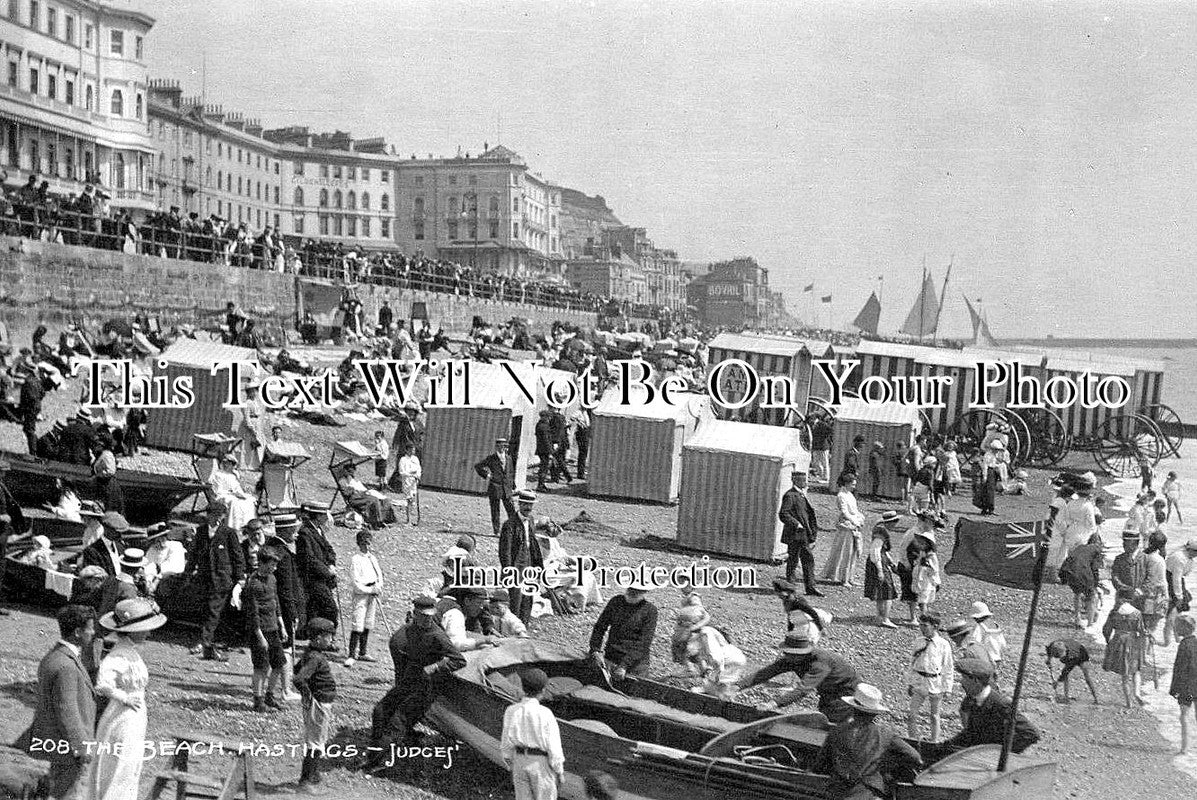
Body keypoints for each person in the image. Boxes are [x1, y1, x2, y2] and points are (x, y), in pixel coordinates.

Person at [84, 597, 167, 800]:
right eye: (145, 629)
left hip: (135, 716)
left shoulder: (130, 652)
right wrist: (124, 697)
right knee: (120, 762)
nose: (149, 632)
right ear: (133, 630)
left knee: (130, 763)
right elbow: (103, 684)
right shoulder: (119, 654)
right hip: (122, 716)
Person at [24, 604, 97, 800]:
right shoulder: (67, 665)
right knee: (68, 794)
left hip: (57, 744)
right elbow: (68, 711)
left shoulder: (54, 656)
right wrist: (81, 747)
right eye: (90, 628)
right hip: (68, 748)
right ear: (77, 632)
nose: (93, 632)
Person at [815, 683, 923, 800]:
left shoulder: (836, 731)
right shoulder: (885, 734)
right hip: (869, 791)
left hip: (839, 792)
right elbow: (916, 758)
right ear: (874, 714)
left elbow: (820, 765)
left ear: (853, 708)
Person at [738, 633, 861, 723]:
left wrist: (773, 704)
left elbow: (803, 690)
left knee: (831, 723)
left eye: (790, 654)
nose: (787, 657)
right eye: (786, 653)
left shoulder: (820, 663)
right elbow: (766, 673)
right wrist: (737, 686)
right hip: (827, 692)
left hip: (846, 694)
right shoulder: (791, 659)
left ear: (802, 653)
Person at [937, 658, 1040, 755]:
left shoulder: (1001, 704)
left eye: (964, 678)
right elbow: (970, 733)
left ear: (976, 681)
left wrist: (1001, 753)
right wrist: (947, 746)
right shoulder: (972, 700)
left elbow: (1031, 734)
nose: (961, 682)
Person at [501, 668, 566, 800]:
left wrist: (510, 763)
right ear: (542, 690)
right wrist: (559, 771)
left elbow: (506, 743)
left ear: (523, 687)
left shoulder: (511, 710)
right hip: (540, 763)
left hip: (519, 760)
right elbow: (554, 747)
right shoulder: (546, 713)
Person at [196, 499, 245, 662]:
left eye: (220, 516)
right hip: (205, 577)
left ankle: (206, 642)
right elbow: (195, 554)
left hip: (222, 579)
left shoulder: (228, 533)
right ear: (208, 516)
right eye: (214, 516)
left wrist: (239, 578)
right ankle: (209, 639)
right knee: (206, 609)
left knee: (213, 610)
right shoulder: (201, 531)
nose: (217, 519)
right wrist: (188, 573)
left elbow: (237, 556)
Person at [264, 513, 305, 702]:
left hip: (274, 607)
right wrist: (293, 613)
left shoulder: (272, 546)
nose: (296, 534)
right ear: (287, 530)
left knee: (282, 648)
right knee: (286, 648)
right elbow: (287, 589)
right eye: (295, 530)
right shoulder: (284, 554)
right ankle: (286, 689)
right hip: (284, 608)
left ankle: (282, 688)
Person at [294, 617, 337, 791]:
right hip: (319, 703)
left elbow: (297, 669)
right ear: (318, 638)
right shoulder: (315, 658)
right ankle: (306, 780)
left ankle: (314, 773)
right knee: (316, 743)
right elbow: (299, 678)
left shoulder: (311, 654)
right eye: (329, 636)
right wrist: (308, 696)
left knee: (318, 739)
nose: (331, 640)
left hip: (319, 702)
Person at [671, 605, 746, 699]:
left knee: (720, 690)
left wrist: (712, 669)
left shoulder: (705, 633)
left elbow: (714, 654)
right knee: (716, 686)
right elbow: (700, 656)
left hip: (728, 660)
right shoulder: (701, 634)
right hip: (730, 659)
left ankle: (720, 700)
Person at [589, 581, 659, 679]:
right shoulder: (616, 602)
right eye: (631, 589)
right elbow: (600, 627)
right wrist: (595, 650)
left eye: (638, 590)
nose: (633, 592)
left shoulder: (650, 611)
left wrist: (624, 665)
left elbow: (644, 643)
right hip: (611, 656)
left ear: (645, 591)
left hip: (635, 664)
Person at [244, 549, 286, 712]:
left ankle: (269, 695)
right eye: (271, 564)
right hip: (260, 630)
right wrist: (259, 635)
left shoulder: (272, 579)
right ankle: (258, 701)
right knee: (261, 666)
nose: (274, 568)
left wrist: (281, 623)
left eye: (275, 564)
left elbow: (276, 601)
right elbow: (252, 613)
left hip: (273, 627)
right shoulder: (253, 584)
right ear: (262, 563)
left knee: (279, 663)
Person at [500, 490, 546, 625]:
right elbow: (505, 551)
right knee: (516, 598)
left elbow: (532, 543)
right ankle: (513, 627)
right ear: (519, 504)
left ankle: (524, 626)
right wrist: (508, 571)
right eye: (525, 505)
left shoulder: (530, 520)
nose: (528, 508)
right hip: (516, 564)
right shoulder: (509, 525)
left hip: (529, 562)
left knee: (528, 596)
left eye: (531, 505)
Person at [907, 613, 954, 742]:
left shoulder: (943, 644)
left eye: (925, 625)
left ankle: (934, 740)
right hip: (919, 681)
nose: (922, 628)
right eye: (921, 625)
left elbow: (948, 667)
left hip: (935, 682)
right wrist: (910, 682)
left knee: (934, 716)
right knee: (912, 714)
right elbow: (912, 662)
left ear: (935, 626)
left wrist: (948, 688)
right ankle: (913, 739)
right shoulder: (918, 642)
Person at [779, 471, 823, 597]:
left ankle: (810, 587)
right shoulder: (790, 495)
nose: (806, 482)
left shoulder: (801, 495)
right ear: (796, 481)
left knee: (808, 560)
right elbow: (783, 514)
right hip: (794, 535)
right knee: (793, 561)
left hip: (803, 535)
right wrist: (796, 524)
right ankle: (791, 588)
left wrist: (811, 534)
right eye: (803, 480)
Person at [297, 502, 339, 634]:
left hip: (323, 577)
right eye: (324, 514)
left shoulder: (318, 530)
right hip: (313, 578)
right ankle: (327, 635)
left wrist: (331, 563)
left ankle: (320, 636)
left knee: (316, 608)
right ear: (318, 516)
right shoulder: (305, 533)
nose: (327, 517)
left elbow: (329, 550)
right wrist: (327, 572)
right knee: (330, 608)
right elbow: (309, 559)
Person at [346, 529, 384, 667]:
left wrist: (377, 587)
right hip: (361, 594)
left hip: (373, 594)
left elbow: (379, 575)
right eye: (364, 543)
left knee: (368, 622)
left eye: (368, 543)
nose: (366, 546)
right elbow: (355, 582)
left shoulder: (372, 558)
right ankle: (351, 654)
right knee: (358, 622)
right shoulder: (355, 559)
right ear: (358, 543)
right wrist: (368, 589)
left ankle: (363, 651)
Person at [821, 474, 865, 587]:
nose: (854, 486)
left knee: (854, 552)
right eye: (853, 484)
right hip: (846, 526)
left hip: (854, 524)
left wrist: (860, 517)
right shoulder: (841, 495)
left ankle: (851, 577)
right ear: (847, 483)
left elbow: (854, 510)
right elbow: (844, 512)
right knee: (846, 552)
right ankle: (843, 578)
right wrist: (854, 521)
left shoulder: (850, 494)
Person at [1103, 601, 1148, 708]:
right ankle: (1137, 693)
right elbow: (1141, 631)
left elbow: (1106, 630)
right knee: (1136, 670)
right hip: (1132, 642)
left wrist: (1108, 642)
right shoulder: (1137, 613)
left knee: (1125, 675)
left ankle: (1129, 702)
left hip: (1118, 641)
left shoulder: (1114, 613)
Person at [1058, 531, 1106, 628]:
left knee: (1077, 593)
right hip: (1081, 570)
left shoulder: (1080, 547)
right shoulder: (1097, 548)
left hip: (1067, 570)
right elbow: (1095, 568)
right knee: (1091, 596)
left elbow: (1071, 558)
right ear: (1099, 542)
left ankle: (1077, 619)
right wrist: (1095, 584)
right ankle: (1090, 624)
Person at [864, 511, 902, 628]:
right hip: (878, 563)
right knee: (887, 592)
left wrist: (890, 562)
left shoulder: (880, 530)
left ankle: (880, 616)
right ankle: (885, 618)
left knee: (881, 591)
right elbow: (875, 551)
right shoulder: (881, 533)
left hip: (879, 561)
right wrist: (880, 569)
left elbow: (882, 551)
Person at [475, 437, 517, 538]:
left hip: (507, 489)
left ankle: (514, 530)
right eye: (499, 446)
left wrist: (513, 485)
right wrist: (487, 475)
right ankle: (496, 531)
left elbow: (511, 473)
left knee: (511, 510)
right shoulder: (491, 458)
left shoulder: (509, 458)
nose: (501, 448)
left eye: (503, 446)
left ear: (506, 447)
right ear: (496, 447)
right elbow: (478, 466)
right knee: (495, 511)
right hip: (495, 488)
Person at [207, 453, 256, 531]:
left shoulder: (233, 476)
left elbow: (237, 488)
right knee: (233, 502)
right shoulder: (218, 474)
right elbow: (218, 490)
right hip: (222, 495)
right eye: (225, 463)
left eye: (229, 464)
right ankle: (233, 525)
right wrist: (231, 493)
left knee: (249, 501)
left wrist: (240, 494)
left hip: (233, 495)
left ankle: (247, 524)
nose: (227, 465)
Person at [771, 578, 830, 643]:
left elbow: (812, 613)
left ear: (787, 592)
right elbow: (790, 617)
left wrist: (821, 629)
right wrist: (790, 632)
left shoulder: (798, 602)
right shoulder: (788, 601)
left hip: (809, 628)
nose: (779, 596)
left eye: (779, 593)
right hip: (800, 626)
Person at [1170, 614, 1197, 754]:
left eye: (1177, 626)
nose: (1175, 629)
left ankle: (1185, 748)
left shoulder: (1184, 645)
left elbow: (1179, 669)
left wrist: (1174, 688)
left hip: (1187, 685)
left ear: (1184, 629)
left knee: (1184, 716)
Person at [1163, 539, 1197, 646]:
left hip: (1176, 582)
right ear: (1190, 550)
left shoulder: (1188, 559)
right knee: (1172, 615)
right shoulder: (1180, 558)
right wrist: (1179, 596)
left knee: (1176, 613)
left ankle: (1176, 638)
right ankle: (1167, 641)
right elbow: (1176, 579)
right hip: (1170, 583)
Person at [1046, 639, 1099, 704]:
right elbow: (1048, 650)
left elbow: (1066, 671)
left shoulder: (1072, 657)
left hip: (1081, 652)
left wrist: (1057, 681)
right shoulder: (1053, 645)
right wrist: (1048, 660)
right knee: (1066, 676)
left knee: (1086, 675)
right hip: (1071, 650)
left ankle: (1095, 698)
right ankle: (1066, 697)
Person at [79, 511, 128, 577]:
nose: (120, 535)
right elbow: (95, 579)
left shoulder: (121, 547)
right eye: (116, 532)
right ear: (106, 529)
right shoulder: (92, 552)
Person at [966, 601, 1008, 675]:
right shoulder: (996, 626)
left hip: (985, 661)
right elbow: (1003, 644)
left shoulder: (980, 627)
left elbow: (975, 644)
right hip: (997, 660)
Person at [396, 442, 422, 523]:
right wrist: (410, 475)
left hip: (414, 482)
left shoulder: (415, 459)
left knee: (413, 500)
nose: (412, 452)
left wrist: (418, 476)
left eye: (413, 450)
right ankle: (408, 519)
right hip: (407, 481)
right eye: (410, 450)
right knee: (408, 499)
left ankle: (414, 518)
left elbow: (419, 469)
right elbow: (402, 472)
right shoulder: (403, 460)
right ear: (406, 450)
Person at [809, 416, 833, 483]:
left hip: (823, 446)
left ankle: (826, 477)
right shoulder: (811, 425)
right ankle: (821, 474)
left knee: (824, 462)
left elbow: (830, 430)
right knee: (815, 462)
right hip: (816, 446)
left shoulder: (822, 424)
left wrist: (824, 437)